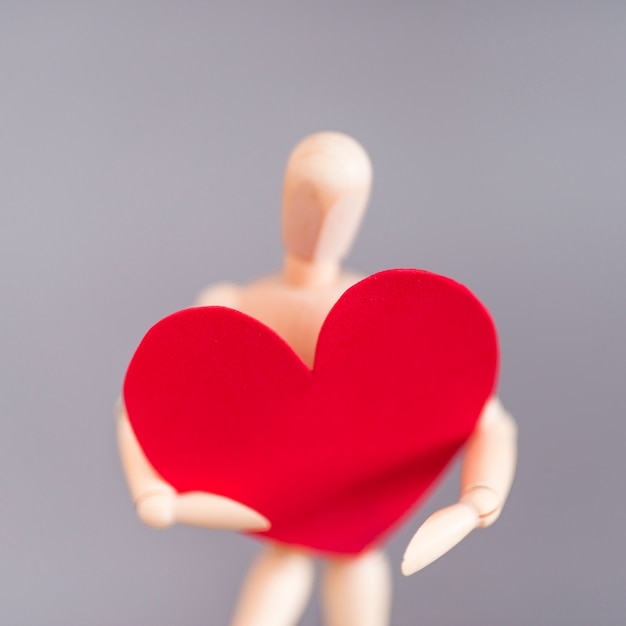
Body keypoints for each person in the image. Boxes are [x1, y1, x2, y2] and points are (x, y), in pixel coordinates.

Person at [117, 131, 517, 626]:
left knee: (353, 570)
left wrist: (479, 498)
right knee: (280, 581)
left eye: (341, 205)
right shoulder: (232, 306)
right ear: (287, 201)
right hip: (278, 499)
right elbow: (141, 401)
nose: (325, 221)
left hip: (359, 508)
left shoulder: (389, 317)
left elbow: (486, 418)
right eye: (311, 200)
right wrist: (151, 489)